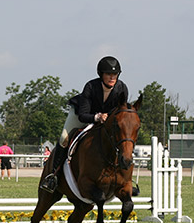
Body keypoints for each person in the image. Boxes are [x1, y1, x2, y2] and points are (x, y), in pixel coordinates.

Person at [39, 56, 129, 193]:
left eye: (115, 74)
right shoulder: (91, 86)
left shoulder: (121, 89)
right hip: (82, 115)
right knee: (64, 138)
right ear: (101, 74)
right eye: (108, 74)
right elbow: (83, 115)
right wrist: (97, 117)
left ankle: (123, 179)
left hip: (106, 121)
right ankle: (53, 175)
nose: (112, 77)